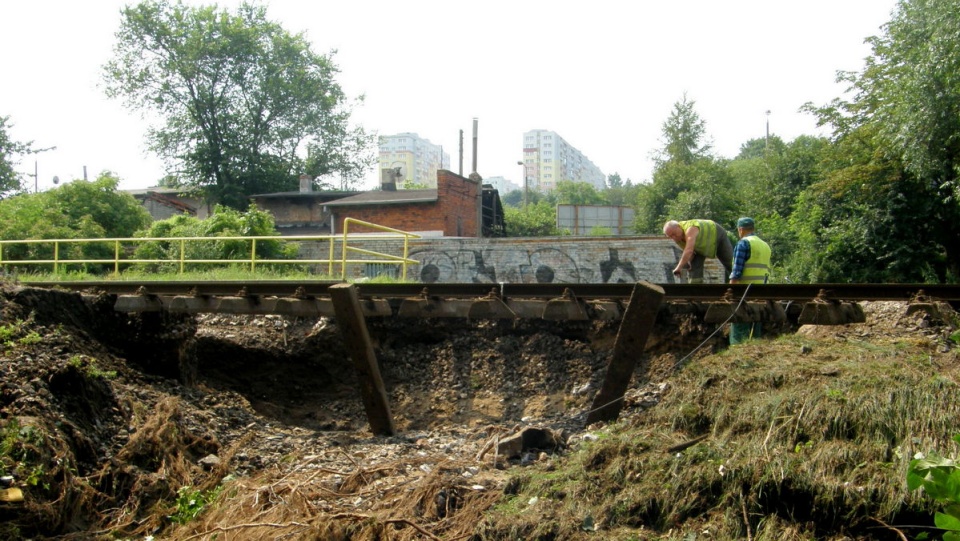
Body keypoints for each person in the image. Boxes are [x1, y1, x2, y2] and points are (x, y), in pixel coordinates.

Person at [728, 216, 772, 344]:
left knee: (739, 326)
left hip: (744, 293)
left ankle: (736, 354)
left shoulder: (743, 243)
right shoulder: (765, 245)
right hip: (761, 293)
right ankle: (754, 351)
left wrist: (731, 293)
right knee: (755, 326)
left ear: (740, 229)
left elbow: (737, 272)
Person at [662, 219, 734, 283]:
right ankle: (694, 291)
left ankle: (740, 285)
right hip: (699, 246)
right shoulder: (678, 238)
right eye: (670, 236)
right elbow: (690, 253)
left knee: (729, 262)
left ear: (679, 227)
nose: (673, 237)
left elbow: (689, 250)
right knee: (694, 267)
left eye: (674, 234)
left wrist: (678, 268)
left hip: (716, 234)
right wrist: (689, 262)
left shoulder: (690, 229)